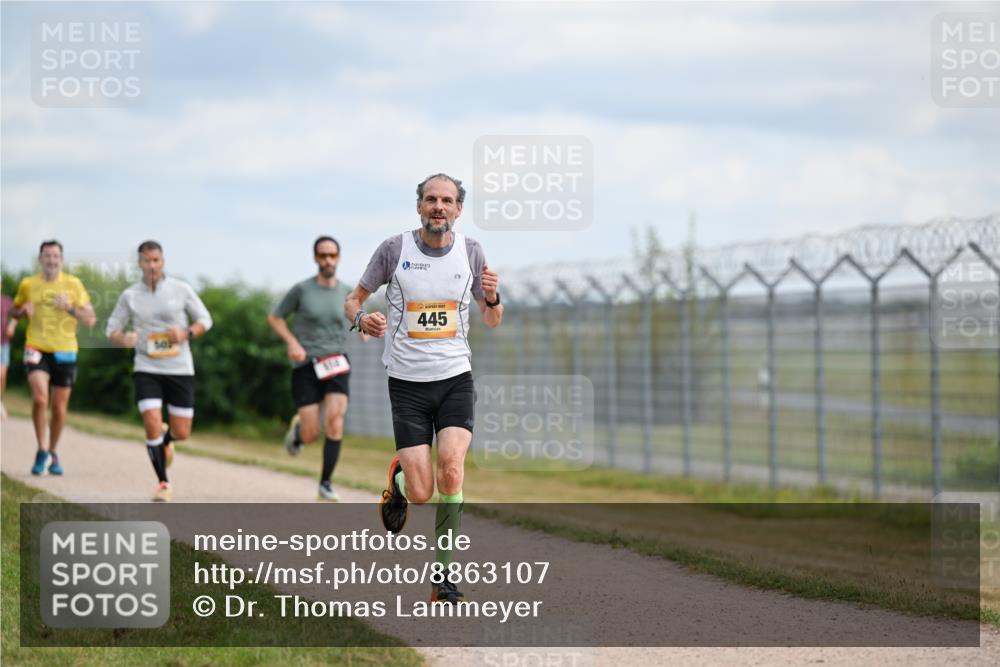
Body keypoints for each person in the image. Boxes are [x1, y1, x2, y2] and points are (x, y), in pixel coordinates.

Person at [345, 173, 503, 604]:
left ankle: (443, 576)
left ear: (458, 209)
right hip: (407, 384)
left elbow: (492, 320)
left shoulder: (471, 251)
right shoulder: (394, 249)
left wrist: (492, 298)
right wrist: (362, 320)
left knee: (451, 469)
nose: (438, 206)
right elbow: (353, 299)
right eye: (431, 199)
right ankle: (399, 481)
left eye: (447, 200)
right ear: (419, 206)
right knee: (421, 492)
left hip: (455, 378)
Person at [106, 241, 213, 502]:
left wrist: (186, 333)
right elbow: (111, 329)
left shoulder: (181, 289)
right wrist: (124, 338)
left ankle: (167, 441)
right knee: (151, 423)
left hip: (179, 367)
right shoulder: (130, 295)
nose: (152, 266)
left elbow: (205, 320)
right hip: (146, 366)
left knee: (182, 432)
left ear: (163, 262)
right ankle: (163, 483)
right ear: (139, 264)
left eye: (156, 260)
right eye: (146, 261)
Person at [268, 236, 361, 501]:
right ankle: (299, 433)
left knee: (335, 420)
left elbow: (357, 317)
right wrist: (292, 342)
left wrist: (364, 327)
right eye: (323, 255)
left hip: (337, 362)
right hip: (306, 364)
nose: (328, 260)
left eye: (332, 255)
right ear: (315, 258)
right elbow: (275, 317)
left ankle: (325, 483)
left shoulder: (348, 292)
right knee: (311, 434)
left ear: (338, 258)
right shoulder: (302, 290)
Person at [11, 240, 97, 475]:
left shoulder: (73, 284)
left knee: (59, 408)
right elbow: (14, 311)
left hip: (65, 350)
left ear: (62, 259)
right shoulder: (28, 284)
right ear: (40, 259)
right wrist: (21, 311)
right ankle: (41, 449)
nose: (51, 260)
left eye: (56, 256)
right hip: (36, 347)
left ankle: (53, 451)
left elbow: (90, 319)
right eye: (47, 255)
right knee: (40, 399)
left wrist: (69, 308)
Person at [1, 279, 16, 418]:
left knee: (1, 374)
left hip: (3, 343)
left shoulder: (6, 301)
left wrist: (11, 326)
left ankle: (0, 401)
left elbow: (16, 315)